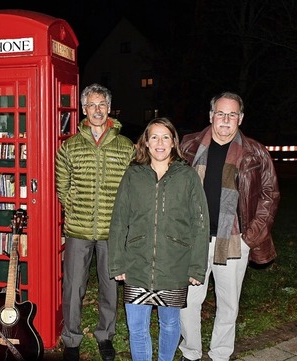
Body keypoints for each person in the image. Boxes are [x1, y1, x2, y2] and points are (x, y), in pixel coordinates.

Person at [178, 91, 280, 361]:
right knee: (188, 300)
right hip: (194, 238)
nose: (225, 119)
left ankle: (221, 353)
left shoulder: (255, 152)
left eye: (232, 114)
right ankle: (190, 351)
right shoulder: (189, 146)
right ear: (211, 116)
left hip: (234, 240)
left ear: (241, 118)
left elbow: (270, 195)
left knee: (228, 303)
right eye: (220, 113)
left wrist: (250, 237)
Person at [107, 117, 210, 361]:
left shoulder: (187, 176)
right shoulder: (133, 175)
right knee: (137, 327)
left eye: (165, 137)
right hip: (136, 263)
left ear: (174, 142)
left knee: (171, 324)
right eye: (154, 137)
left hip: (174, 264)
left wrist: (197, 266)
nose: (160, 143)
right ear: (146, 142)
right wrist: (117, 262)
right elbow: (119, 220)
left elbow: (200, 224)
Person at [55, 83, 136, 361]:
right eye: (92, 104)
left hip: (112, 231)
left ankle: (105, 336)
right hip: (78, 229)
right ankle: (72, 340)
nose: (97, 110)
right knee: (73, 286)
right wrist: (74, 207)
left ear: (109, 108)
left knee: (109, 287)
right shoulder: (70, 146)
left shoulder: (126, 146)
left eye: (102, 104)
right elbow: (62, 185)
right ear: (83, 109)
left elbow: (132, 187)